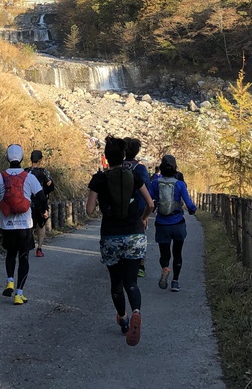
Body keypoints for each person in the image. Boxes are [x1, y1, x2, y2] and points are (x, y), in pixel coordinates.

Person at [87, 135, 153, 347]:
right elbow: (150, 204)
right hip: (134, 235)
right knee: (131, 282)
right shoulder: (134, 176)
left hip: (110, 236)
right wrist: (142, 218)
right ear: (124, 156)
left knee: (116, 284)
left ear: (106, 158)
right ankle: (136, 312)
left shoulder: (99, 179)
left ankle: (124, 320)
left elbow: (89, 211)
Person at [0, 143, 47, 305]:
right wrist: (43, 210)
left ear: (7, 158)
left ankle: (9, 281)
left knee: (10, 254)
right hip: (25, 225)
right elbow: (42, 197)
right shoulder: (29, 177)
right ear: (22, 158)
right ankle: (19, 294)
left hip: (6, 225)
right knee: (24, 258)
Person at [149, 154, 197, 293]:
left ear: (161, 168)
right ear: (175, 169)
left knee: (164, 254)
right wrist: (193, 210)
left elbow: (149, 200)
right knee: (177, 253)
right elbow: (189, 204)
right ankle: (175, 282)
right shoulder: (180, 185)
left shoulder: (155, 183)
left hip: (162, 223)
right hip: (177, 223)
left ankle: (165, 268)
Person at [123, 137, 152, 277]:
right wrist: (146, 214)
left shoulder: (117, 166)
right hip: (138, 208)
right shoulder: (140, 168)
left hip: (120, 207)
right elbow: (148, 189)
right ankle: (140, 266)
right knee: (140, 236)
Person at [27, 149, 55, 256]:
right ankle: (39, 248)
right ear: (40, 160)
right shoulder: (44, 172)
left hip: (27, 202)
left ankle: (26, 247)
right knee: (41, 224)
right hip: (41, 201)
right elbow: (50, 185)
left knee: (29, 225)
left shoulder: (26, 171)